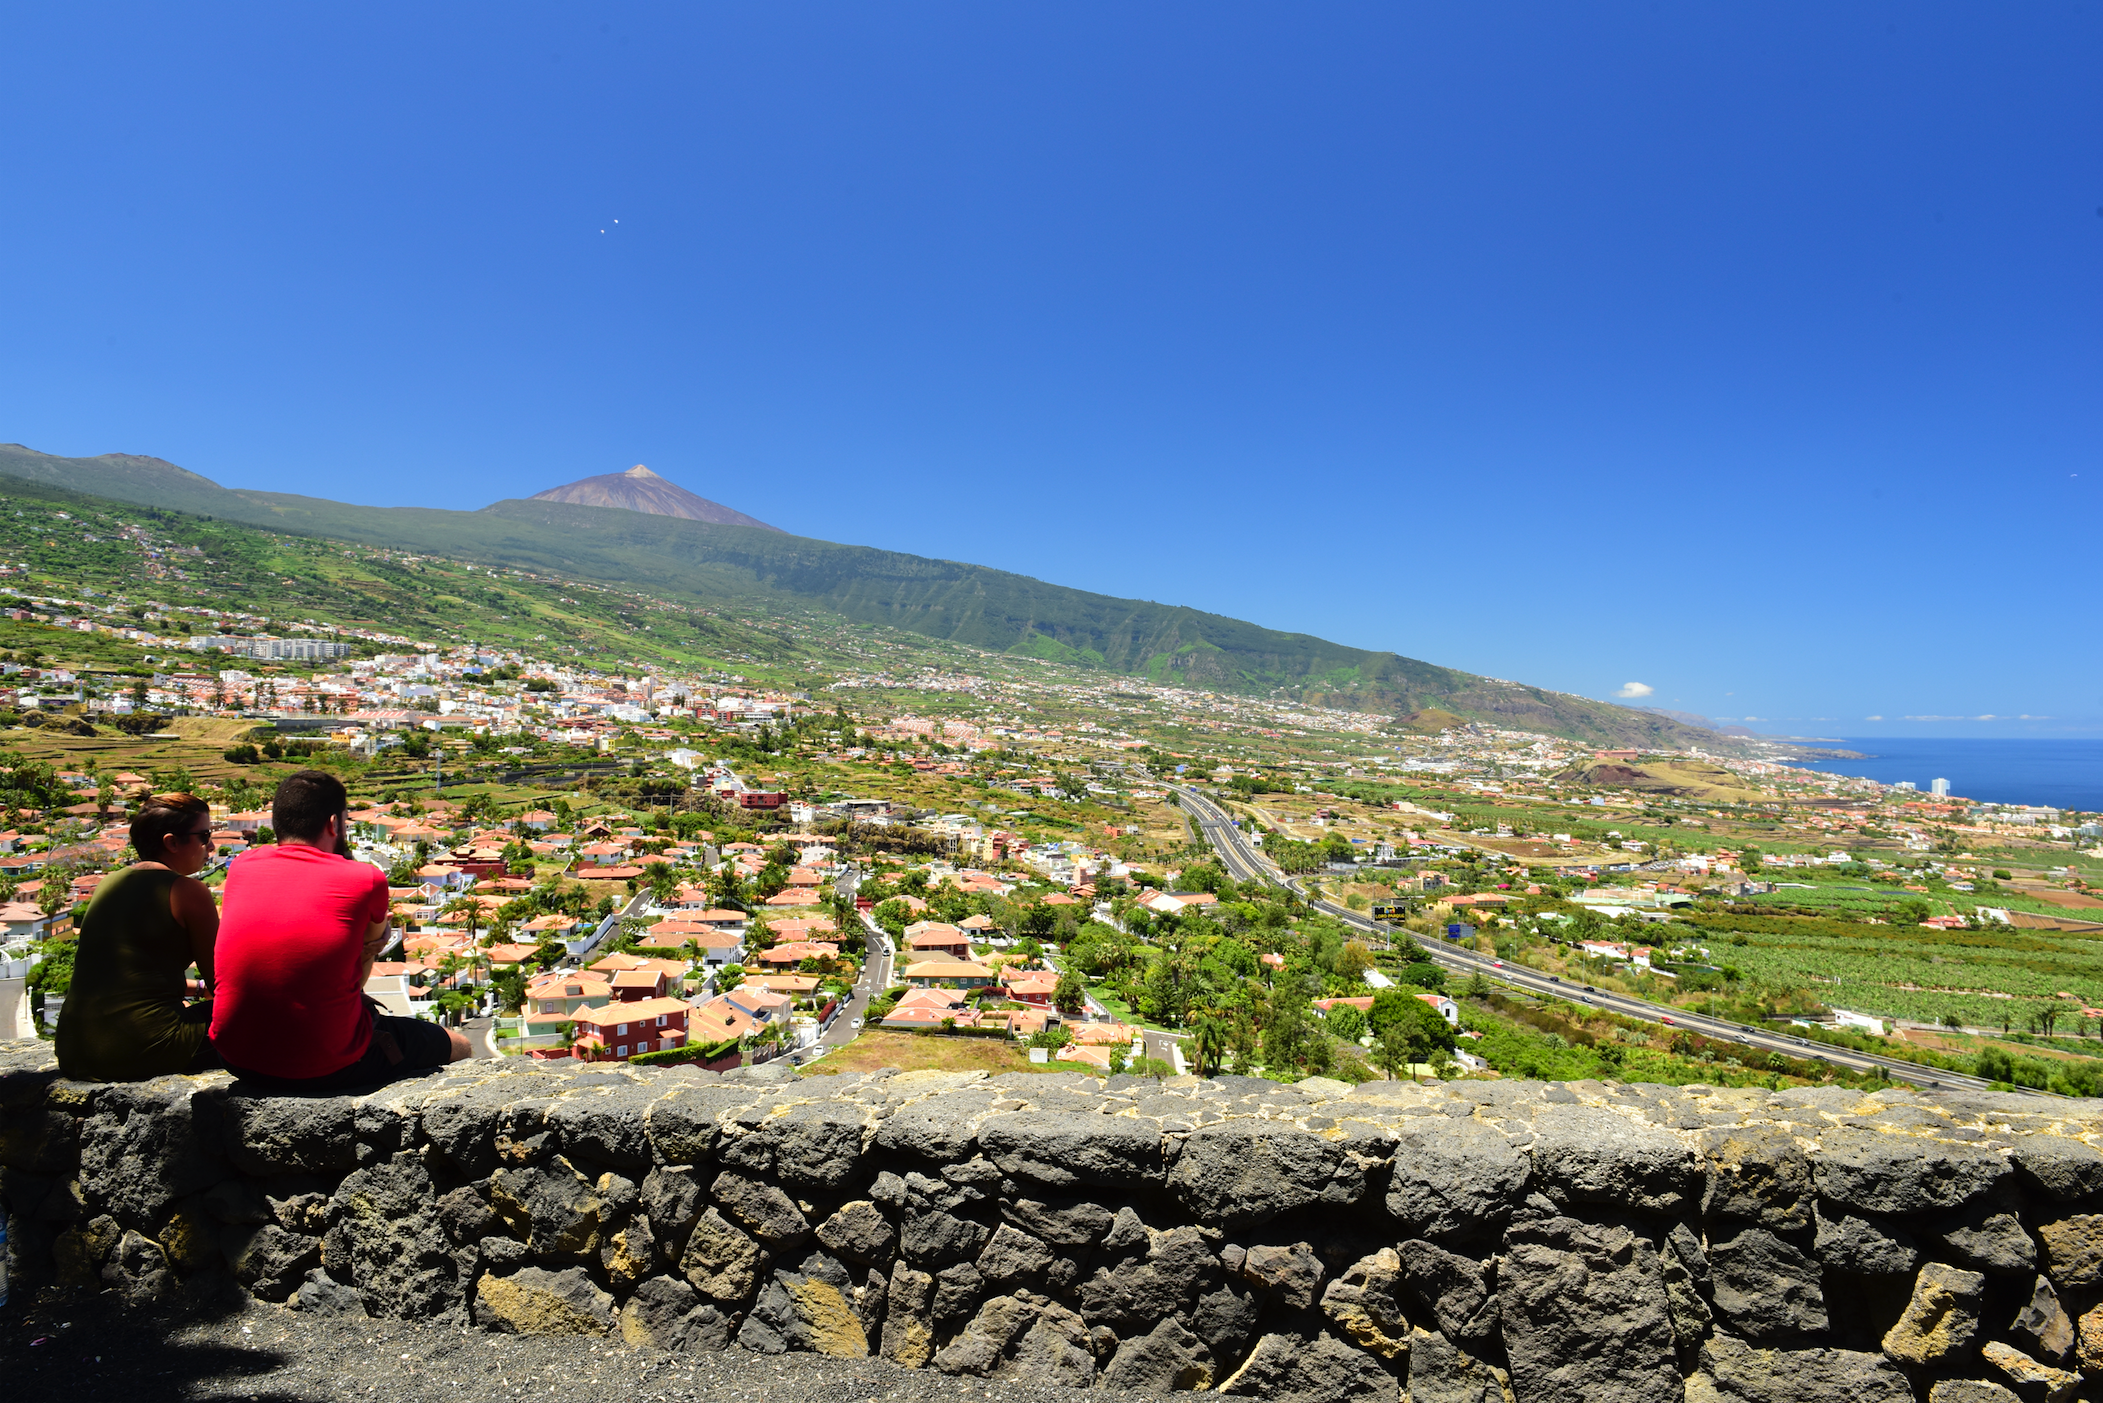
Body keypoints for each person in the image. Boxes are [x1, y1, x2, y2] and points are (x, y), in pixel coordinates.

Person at [211, 769, 470, 1090]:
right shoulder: (366, 879)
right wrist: (374, 945)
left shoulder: (242, 867)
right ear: (334, 824)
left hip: (235, 1057)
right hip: (329, 1066)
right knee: (458, 1043)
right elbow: (357, 983)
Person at [54, 793, 223, 1081]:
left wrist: (194, 990)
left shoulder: (110, 883)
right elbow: (224, 982)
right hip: (139, 1049)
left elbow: (133, 977)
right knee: (264, 1016)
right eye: (204, 835)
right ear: (171, 842)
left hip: (74, 1050)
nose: (211, 845)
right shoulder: (188, 892)